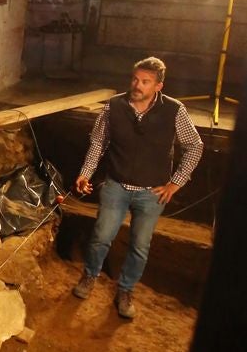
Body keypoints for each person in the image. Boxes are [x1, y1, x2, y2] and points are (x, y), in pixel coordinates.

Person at [72, 57, 203, 319]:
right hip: (116, 186)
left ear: (158, 86)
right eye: (135, 79)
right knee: (101, 236)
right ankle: (89, 277)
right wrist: (85, 173)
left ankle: (125, 290)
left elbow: (195, 146)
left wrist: (176, 182)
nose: (137, 85)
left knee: (140, 245)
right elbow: (98, 143)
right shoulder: (113, 107)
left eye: (145, 82)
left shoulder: (175, 111)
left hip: (151, 192)